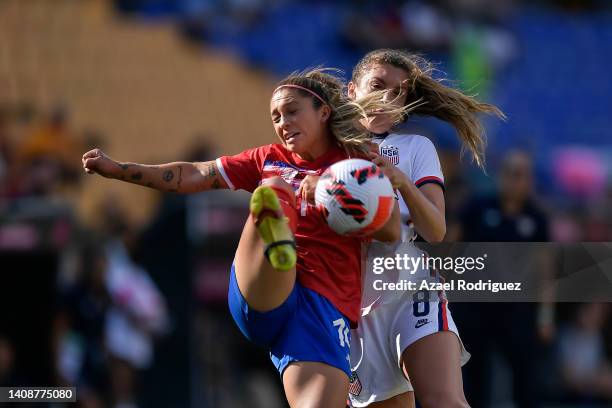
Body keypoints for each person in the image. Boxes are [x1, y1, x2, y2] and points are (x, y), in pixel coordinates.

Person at [82, 68, 404, 407]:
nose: (283, 123)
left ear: (323, 111)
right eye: (276, 117)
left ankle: (280, 242)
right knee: (275, 187)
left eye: (292, 111)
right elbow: (195, 173)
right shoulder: (269, 159)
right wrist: (118, 169)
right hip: (261, 289)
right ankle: (277, 240)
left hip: (323, 307)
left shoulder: (358, 161)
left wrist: (332, 192)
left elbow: (392, 230)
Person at [300, 49, 504, 407]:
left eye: (398, 93)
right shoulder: (323, 154)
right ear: (352, 91)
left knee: (444, 400)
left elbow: (436, 230)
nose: (386, 98)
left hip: (411, 289)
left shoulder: (415, 147)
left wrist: (401, 182)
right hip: (352, 308)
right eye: (377, 85)